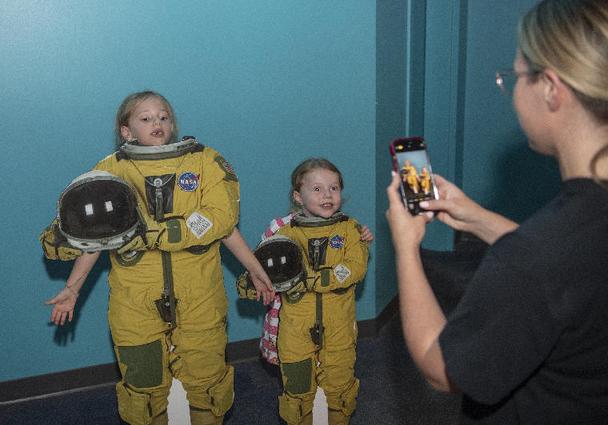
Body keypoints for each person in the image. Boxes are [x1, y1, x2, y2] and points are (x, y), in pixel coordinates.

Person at [385, 0, 608, 423]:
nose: (511, 90)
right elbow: (570, 271)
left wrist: (406, 248)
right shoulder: (566, 237)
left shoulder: (533, 257)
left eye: (515, 76)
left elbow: (441, 367)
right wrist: (476, 216)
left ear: (551, 89)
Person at [40, 90, 273, 425]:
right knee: (144, 385)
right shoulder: (112, 172)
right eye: (146, 118)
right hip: (136, 300)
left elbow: (224, 227)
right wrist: (73, 288)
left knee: (206, 380)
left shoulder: (203, 162)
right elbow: (95, 239)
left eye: (163, 116)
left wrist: (255, 269)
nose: (157, 123)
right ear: (126, 130)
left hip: (200, 295)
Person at [239, 158, 370, 425]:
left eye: (334, 188)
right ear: (298, 196)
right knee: (297, 389)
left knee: (339, 384)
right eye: (317, 189)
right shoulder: (282, 231)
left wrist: (310, 279)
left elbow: (354, 268)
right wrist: (254, 286)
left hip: (338, 327)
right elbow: (260, 270)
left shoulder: (349, 230)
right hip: (295, 329)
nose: (328, 195)